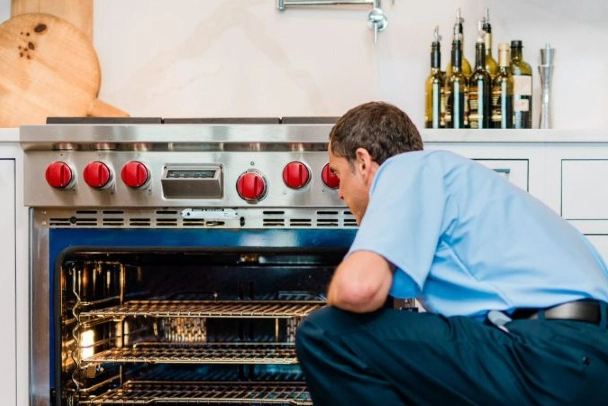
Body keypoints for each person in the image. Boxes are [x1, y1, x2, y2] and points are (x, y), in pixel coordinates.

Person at [295, 101, 608, 405]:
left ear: (363, 162)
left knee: (326, 332)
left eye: (337, 174)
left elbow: (358, 289)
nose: (339, 192)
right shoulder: (464, 184)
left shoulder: (405, 169)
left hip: (546, 355)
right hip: (587, 358)